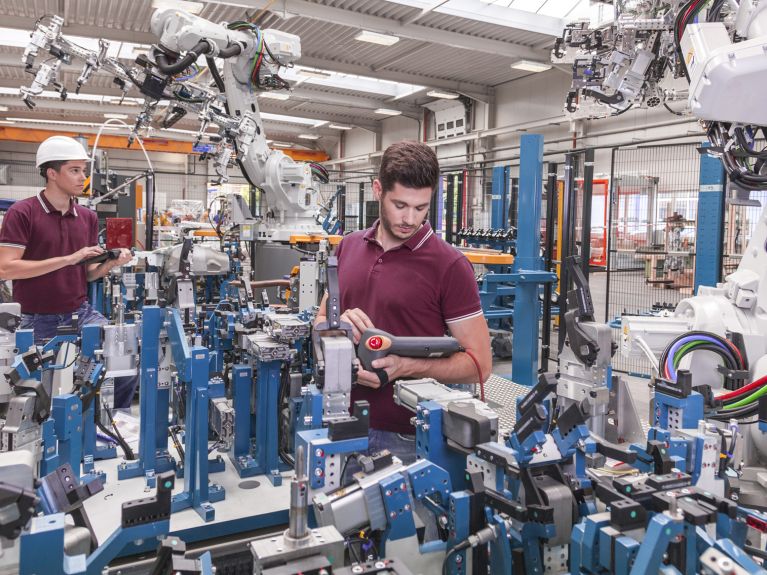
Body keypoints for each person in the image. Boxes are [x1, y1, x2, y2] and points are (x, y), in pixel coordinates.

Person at [315, 140, 492, 465]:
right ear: (377, 189)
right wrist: (336, 327)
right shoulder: (348, 247)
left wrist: (406, 367)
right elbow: (322, 317)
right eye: (400, 205)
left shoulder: (449, 266)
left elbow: (480, 365)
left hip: (407, 438)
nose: (410, 218)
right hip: (339, 420)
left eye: (421, 207)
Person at [0, 136, 136, 408]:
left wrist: (110, 264)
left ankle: (108, 426)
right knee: (43, 396)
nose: (82, 177)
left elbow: (85, 275)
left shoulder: (86, 217)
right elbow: (5, 267)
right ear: (51, 173)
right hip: (35, 320)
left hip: (80, 313)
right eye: (74, 170)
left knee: (125, 357)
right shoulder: (22, 212)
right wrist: (68, 258)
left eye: (84, 171)